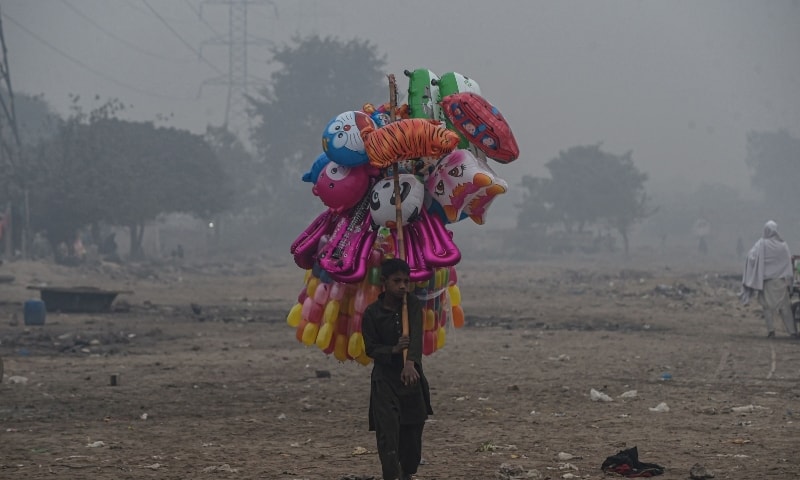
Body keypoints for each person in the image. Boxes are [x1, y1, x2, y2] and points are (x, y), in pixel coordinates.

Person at [362, 258, 433, 480]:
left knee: (413, 432)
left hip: (410, 378)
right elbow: (371, 348)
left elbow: (416, 337)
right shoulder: (372, 313)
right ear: (384, 282)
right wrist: (393, 350)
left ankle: (407, 473)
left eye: (406, 280)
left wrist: (410, 363)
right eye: (397, 281)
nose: (403, 286)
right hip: (385, 381)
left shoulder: (411, 304)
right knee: (389, 435)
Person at [740, 220, 797, 338]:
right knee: (785, 307)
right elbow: (788, 264)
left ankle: (771, 331)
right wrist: (790, 283)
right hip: (780, 283)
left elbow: (751, 257)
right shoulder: (783, 245)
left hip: (766, 282)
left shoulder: (761, 244)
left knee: (766, 307)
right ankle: (792, 332)